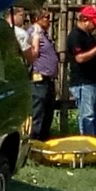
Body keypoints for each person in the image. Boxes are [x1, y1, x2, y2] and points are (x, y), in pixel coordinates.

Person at [67, 5, 96, 137]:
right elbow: (79, 58)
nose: (95, 26)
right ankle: (87, 142)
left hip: (94, 81)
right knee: (87, 115)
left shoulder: (89, 35)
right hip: (83, 82)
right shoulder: (75, 36)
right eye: (93, 23)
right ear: (85, 19)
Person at [27, 8, 59, 141]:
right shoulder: (34, 33)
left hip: (48, 80)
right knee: (38, 113)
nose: (49, 20)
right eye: (45, 17)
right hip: (39, 79)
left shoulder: (44, 34)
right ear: (36, 19)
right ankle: (34, 142)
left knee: (47, 113)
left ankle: (44, 141)